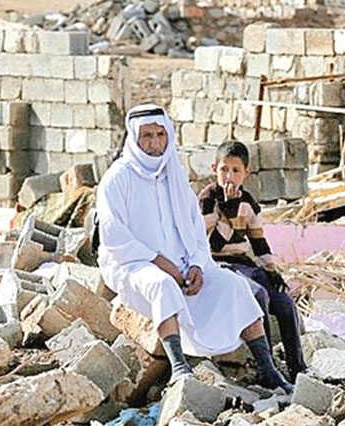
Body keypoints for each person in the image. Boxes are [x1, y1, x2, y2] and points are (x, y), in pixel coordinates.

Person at [95, 104, 293, 393]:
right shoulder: (117, 178)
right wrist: (161, 262)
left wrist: (198, 265)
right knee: (162, 284)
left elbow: (198, 234)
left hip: (183, 262)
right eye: (147, 135)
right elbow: (114, 237)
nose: (154, 143)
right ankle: (179, 369)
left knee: (234, 285)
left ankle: (268, 370)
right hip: (133, 263)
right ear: (134, 138)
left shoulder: (174, 176)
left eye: (160, 135)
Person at [198, 141, 307, 381]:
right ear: (214, 168)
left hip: (245, 264)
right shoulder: (208, 200)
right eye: (224, 170)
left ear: (245, 174)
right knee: (259, 295)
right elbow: (211, 244)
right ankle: (266, 367)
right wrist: (228, 211)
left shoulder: (247, 202)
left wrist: (272, 270)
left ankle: (297, 367)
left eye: (236, 171)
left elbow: (258, 242)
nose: (229, 176)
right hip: (217, 265)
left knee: (284, 301)